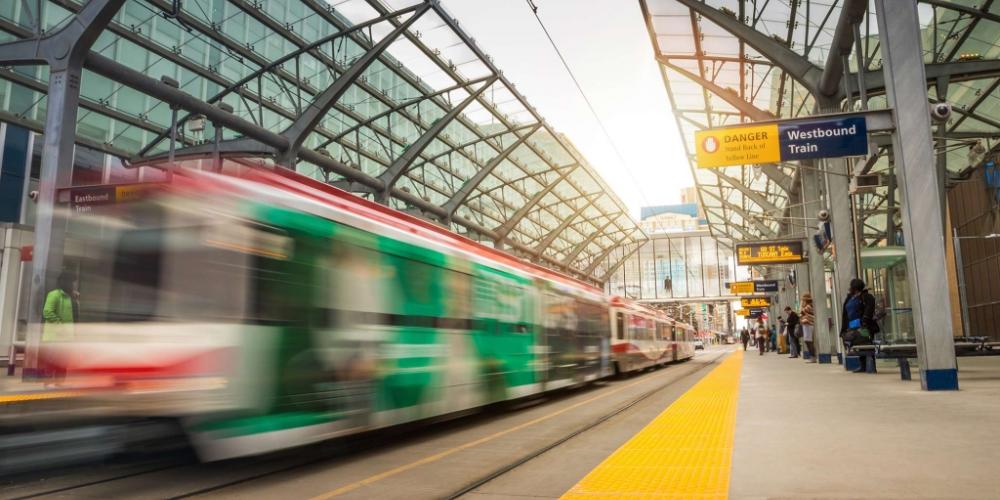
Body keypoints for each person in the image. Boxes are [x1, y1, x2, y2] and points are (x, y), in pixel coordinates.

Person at [42, 272, 77, 383]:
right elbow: (47, 312)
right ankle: (47, 384)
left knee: (63, 364)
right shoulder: (55, 295)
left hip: (67, 338)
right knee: (52, 362)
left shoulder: (70, 297)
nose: (73, 285)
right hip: (54, 337)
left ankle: (59, 385)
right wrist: (60, 326)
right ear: (64, 282)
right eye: (71, 283)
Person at [841, 278, 880, 373]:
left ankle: (870, 366)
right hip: (852, 326)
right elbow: (845, 313)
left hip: (864, 326)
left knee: (866, 343)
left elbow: (869, 309)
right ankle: (863, 365)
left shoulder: (867, 297)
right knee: (858, 345)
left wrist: (864, 321)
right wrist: (844, 328)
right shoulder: (850, 298)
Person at [800, 293, 816, 363]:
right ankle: (812, 356)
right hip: (807, 324)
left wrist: (801, 304)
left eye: (803, 299)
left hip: (808, 324)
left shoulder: (809, 306)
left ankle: (813, 357)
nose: (802, 300)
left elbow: (801, 312)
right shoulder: (808, 305)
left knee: (808, 341)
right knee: (808, 340)